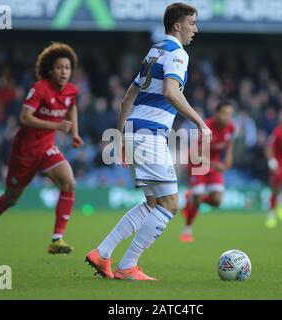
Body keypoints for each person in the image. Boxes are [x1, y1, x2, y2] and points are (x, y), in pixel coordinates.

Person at [85, 2, 211, 280]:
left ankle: (102, 253)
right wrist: (200, 122)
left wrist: (120, 137)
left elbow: (127, 98)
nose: (196, 30)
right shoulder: (178, 53)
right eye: (192, 24)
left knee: (153, 203)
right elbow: (170, 91)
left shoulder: (154, 52)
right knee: (170, 204)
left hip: (133, 130)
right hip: (150, 134)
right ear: (177, 25)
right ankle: (127, 266)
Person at [0, 42, 84, 254]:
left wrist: (75, 133)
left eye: (68, 68)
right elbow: (24, 118)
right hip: (24, 153)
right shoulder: (39, 88)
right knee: (10, 199)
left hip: (46, 149)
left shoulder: (71, 90)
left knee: (69, 183)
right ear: (50, 69)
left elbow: (72, 107)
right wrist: (56, 125)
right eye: (60, 67)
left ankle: (57, 239)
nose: (64, 72)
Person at [181, 101, 235, 242]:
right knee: (198, 200)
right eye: (224, 113)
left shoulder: (230, 127)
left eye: (230, 114)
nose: (227, 117)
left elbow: (229, 145)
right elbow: (196, 152)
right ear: (216, 114)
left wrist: (228, 159)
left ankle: (191, 198)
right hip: (197, 163)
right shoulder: (206, 127)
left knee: (217, 201)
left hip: (214, 164)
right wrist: (214, 164)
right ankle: (187, 229)